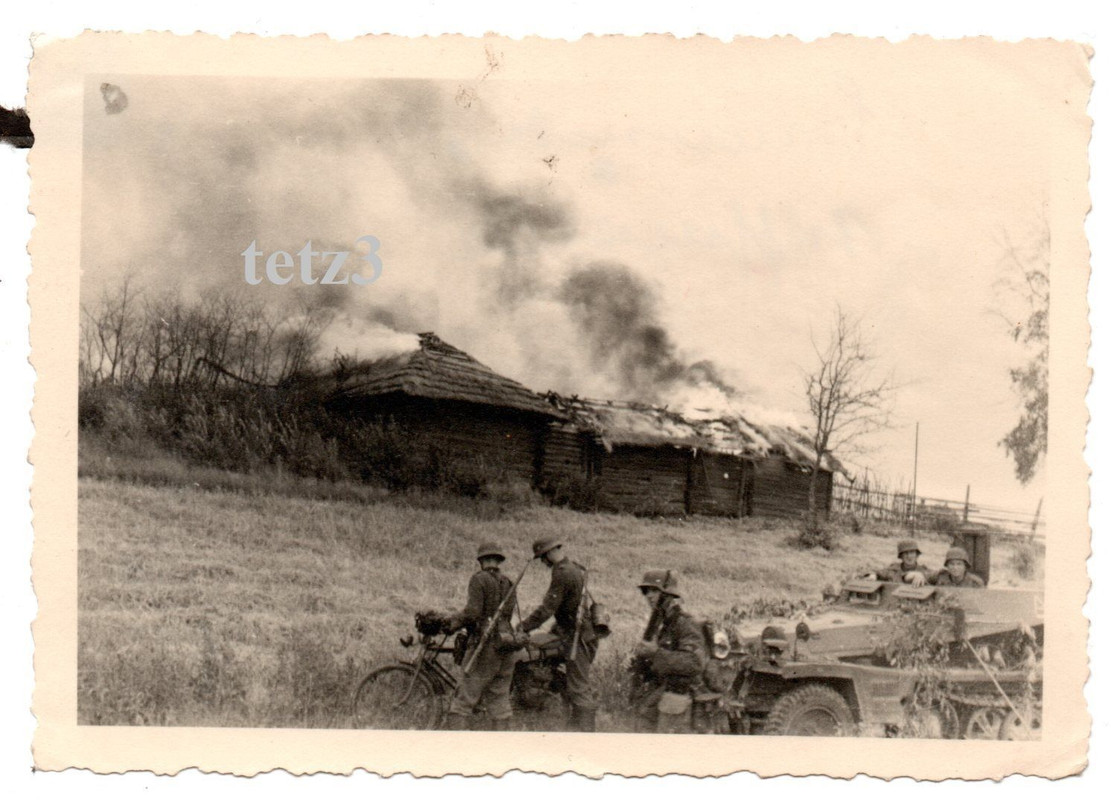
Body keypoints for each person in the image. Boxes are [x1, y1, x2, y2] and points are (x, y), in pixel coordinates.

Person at [517, 537, 599, 732]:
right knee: (572, 681)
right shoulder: (573, 568)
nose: (543, 562)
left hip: (578, 637)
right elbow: (569, 605)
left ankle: (587, 733)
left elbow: (547, 609)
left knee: (579, 687)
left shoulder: (562, 573)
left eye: (542, 557)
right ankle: (575, 726)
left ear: (549, 553)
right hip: (575, 632)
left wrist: (523, 627)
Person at [441, 541, 521, 731]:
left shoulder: (479, 579)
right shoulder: (509, 583)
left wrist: (451, 624)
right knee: (499, 700)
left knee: (464, 698)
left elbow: (472, 613)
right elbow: (507, 615)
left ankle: (456, 743)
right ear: (498, 561)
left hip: (485, 646)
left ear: (481, 560)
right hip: (507, 644)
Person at [629, 569, 707, 733]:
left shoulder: (684, 623)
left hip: (678, 696)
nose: (649, 596)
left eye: (654, 591)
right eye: (646, 591)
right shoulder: (660, 622)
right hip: (658, 692)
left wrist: (656, 653)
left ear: (668, 594)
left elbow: (694, 663)